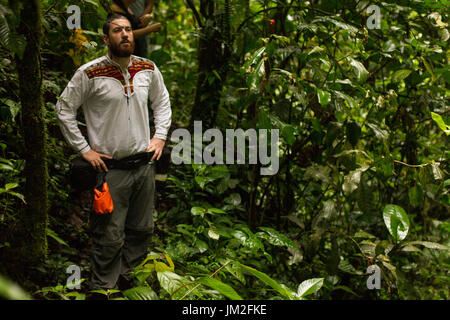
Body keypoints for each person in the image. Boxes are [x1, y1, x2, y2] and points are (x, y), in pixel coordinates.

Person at [55, 14, 171, 297]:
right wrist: (84, 150)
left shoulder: (148, 68)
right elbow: (63, 109)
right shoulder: (89, 73)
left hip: (144, 166)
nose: (125, 35)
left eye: (129, 30)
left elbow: (163, 103)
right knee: (109, 236)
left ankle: (129, 284)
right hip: (111, 170)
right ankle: (103, 290)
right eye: (118, 31)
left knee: (142, 230)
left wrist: (159, 137)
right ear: (106, 39)